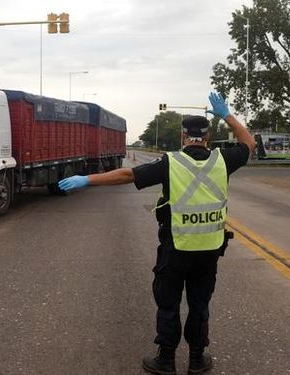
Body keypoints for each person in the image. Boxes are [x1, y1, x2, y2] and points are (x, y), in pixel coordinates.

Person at [58, 91, 256, 375]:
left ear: (183, 136)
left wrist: (86, 179)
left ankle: (166, 360)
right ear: (208, 137)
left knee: (169, 304)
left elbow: (127, 176)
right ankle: (198, 359)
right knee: (199, 305)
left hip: (175, 249)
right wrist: (226, 114)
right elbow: (249, 143)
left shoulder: (170, 162)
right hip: (209, 250)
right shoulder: (224, 160)